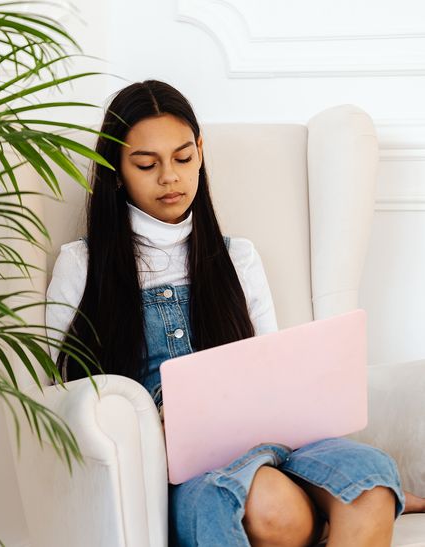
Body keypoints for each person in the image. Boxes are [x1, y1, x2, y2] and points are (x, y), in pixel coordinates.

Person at [45, 79, 425, 546]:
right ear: (117, 170)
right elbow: (62, 393)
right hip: (184, 468)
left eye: (183, 158)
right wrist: (151, 419)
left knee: (369, 480)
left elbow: (273, 366)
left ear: (201, 153)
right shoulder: (82, 265)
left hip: (273, 438)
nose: (170, 177)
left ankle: (357, 500)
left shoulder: (237, 257)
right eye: (147, 164)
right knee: (275, 509)